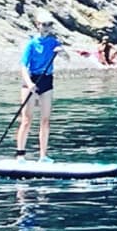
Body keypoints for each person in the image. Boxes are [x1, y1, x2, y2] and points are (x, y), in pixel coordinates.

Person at [16, 14, 67, 162]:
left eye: (49, 24)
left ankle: (43, 156)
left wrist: (62, 52)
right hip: (31, 79)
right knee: (27, 120)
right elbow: (23, 66)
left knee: (45, 120)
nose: (47, 28)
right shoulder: (31, 44)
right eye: (44, 24)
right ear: (37, 25)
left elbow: (67, 58)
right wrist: (29, 83)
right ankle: (20, 156)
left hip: (47, 80)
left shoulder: (53, 42)